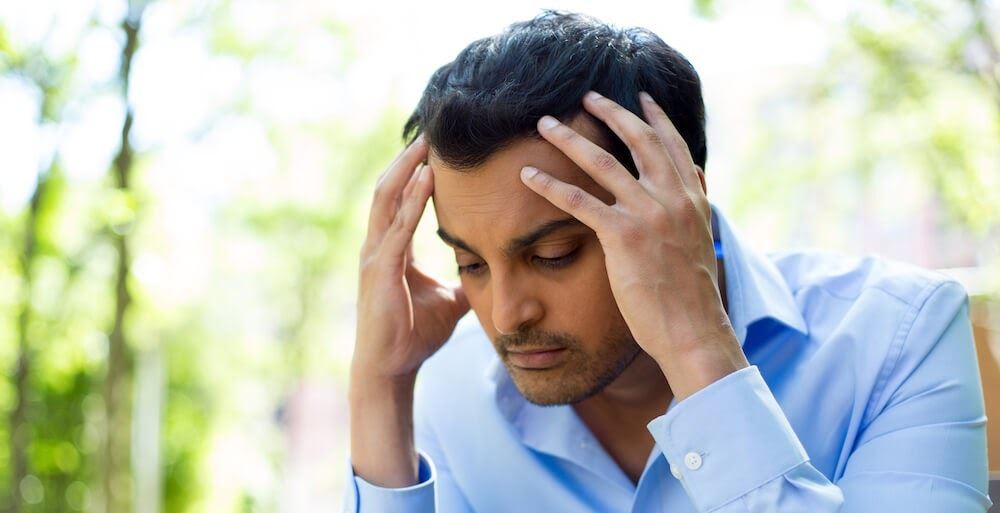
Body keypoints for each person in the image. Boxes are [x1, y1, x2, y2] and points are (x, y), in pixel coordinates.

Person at [344, 11, 993, 513]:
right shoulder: (451, 394)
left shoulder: (899, 339)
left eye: (553, 254)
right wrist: (379, 386)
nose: (507, 314)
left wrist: (697, 350)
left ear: (684, 210)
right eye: (470, 264)